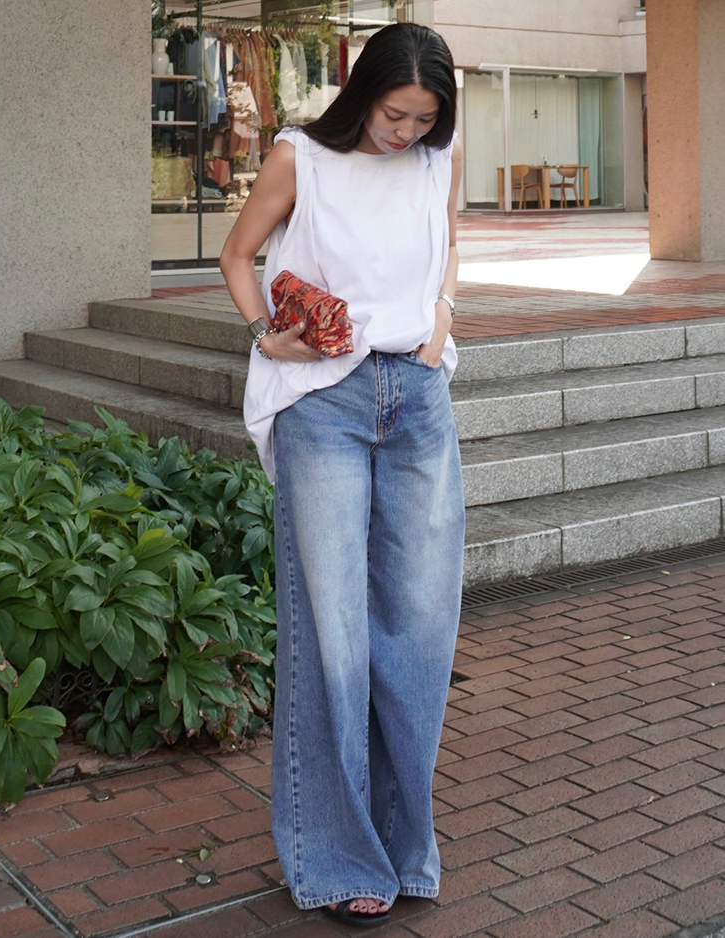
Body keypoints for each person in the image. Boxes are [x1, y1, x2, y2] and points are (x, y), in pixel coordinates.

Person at [219, 22, 465, 929]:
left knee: (419, 632)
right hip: (324, 399)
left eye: (424, 119)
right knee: (331, 634)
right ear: (363, 93)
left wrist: (442, 320)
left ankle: (405, 846)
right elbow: (236, 256)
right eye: (395, 114)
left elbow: (449, 246)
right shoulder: (302, 158)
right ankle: (335, 857)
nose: (406, 133)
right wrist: (265, 334)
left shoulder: (437, 159)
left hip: (418, 398)